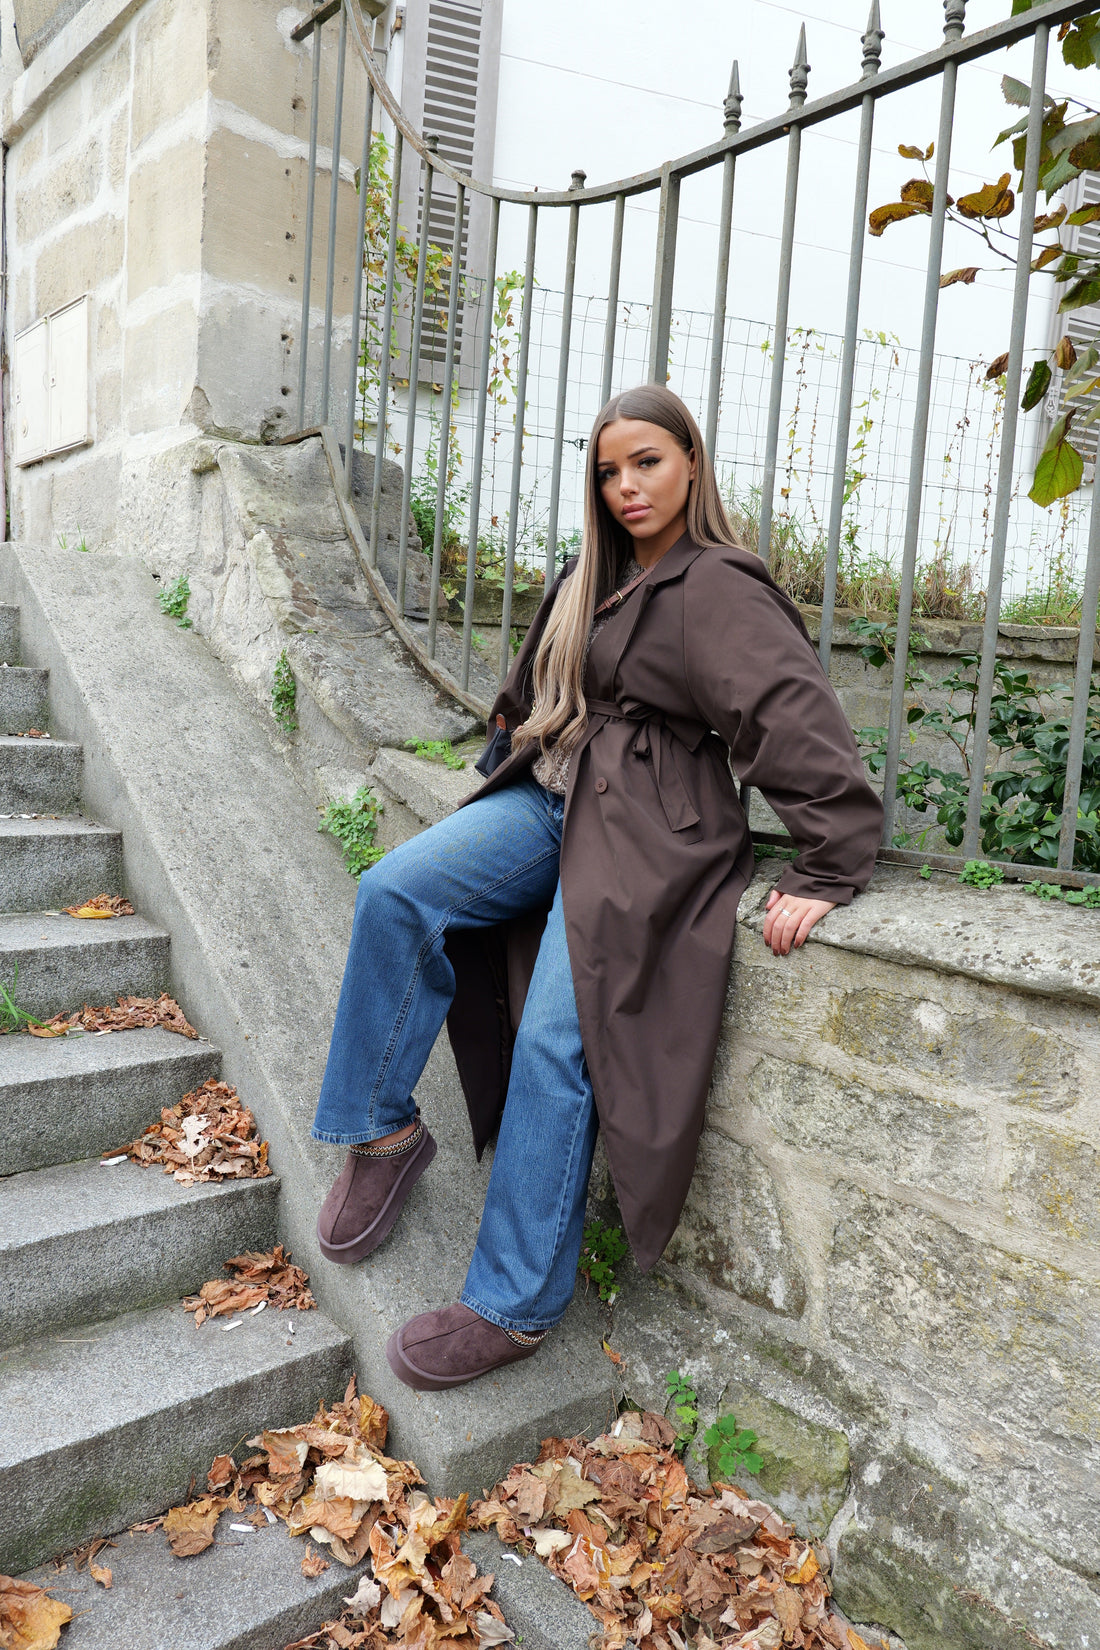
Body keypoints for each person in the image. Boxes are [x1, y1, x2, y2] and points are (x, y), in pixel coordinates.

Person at [311, 383, 883, 1392]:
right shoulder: (596, 572)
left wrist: (831, 859)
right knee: (396, 891)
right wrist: (505, 745)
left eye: (647, 462)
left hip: (649, 831)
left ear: (691, 461)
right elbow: (535, 686)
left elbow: (790, 715)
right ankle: (380, 1133)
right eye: (609, 470)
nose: (627, 486)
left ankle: (513, 1300)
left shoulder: (718, 583)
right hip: (550, 798)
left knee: (555, 1037)